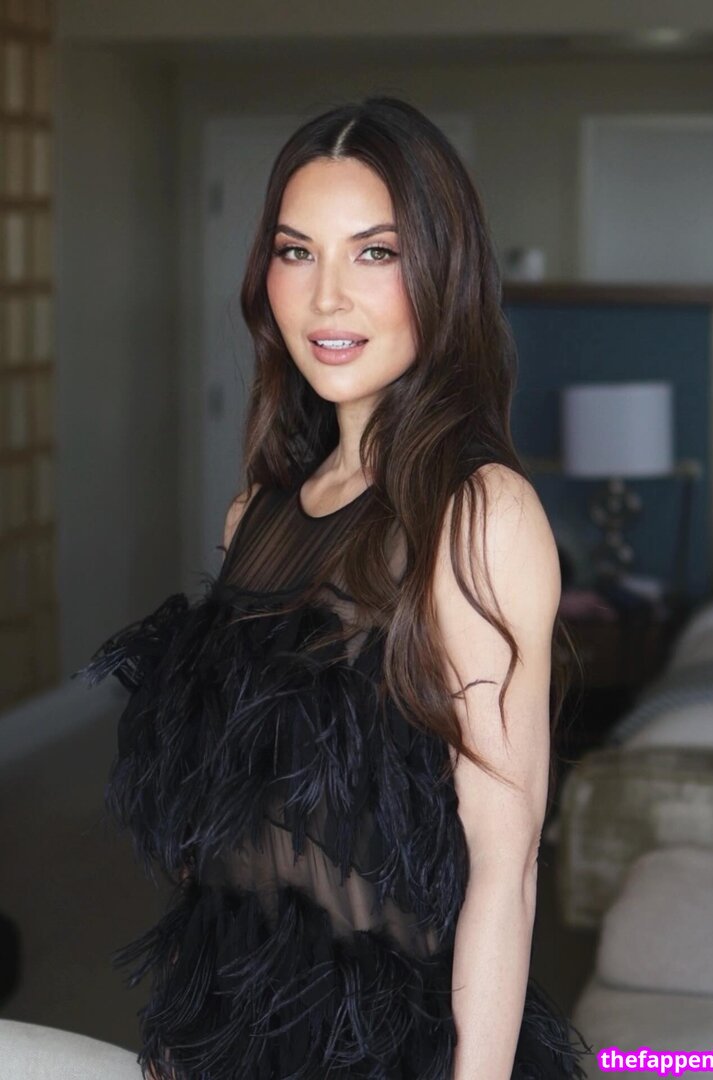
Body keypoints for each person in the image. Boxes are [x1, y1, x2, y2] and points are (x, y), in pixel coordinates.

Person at [74, 95, 591, 1080]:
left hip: (389, 1055)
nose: (327, 298)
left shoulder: (477, 515)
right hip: (225, 1038)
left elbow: (505, 865)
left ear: (441, 272)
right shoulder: (258, 513)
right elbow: (223, 840)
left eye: (375, 253)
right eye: (296, 251)